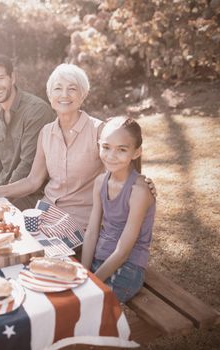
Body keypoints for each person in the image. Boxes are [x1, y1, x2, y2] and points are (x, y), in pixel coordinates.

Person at [0, 64, 155, 230]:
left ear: (83, 95)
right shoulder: (46, 132)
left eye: (72, 89)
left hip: (81, 221)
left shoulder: (99, 131)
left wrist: (140, 180)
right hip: (45, 213)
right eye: (57, 89)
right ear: (50, 96)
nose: (64, 95)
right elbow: (33, 181)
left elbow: (126, 156)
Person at [81, 117, 156, 302]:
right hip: (100, 258)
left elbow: (123, 251)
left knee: (84, 308)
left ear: (136, 152)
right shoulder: (100, 182)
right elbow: (91, 232)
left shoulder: (138, 191)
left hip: (128, 268)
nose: (111, 155)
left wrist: (92, 283)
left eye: (122, 149)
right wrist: (83, 274)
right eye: (106, 147)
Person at [0, 54, 55, 210]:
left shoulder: (36, 111)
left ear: (12, 78)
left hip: (33, 196)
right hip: (3, 191)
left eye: (0, 78)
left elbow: (27, 166)